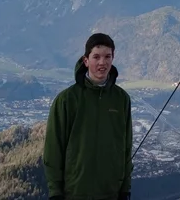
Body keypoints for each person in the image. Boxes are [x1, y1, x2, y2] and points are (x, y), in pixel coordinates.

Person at [43, 33, 133, 200]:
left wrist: (125, 189)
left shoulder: (121, 99)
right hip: (75, 192)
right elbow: (53, 149)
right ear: (86, 60)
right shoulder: (67, 100)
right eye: (96, 57)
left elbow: (126, 148)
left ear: (113, 59)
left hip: (111, 192)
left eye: (107, 56)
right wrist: (55, 192)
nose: (102, 62)